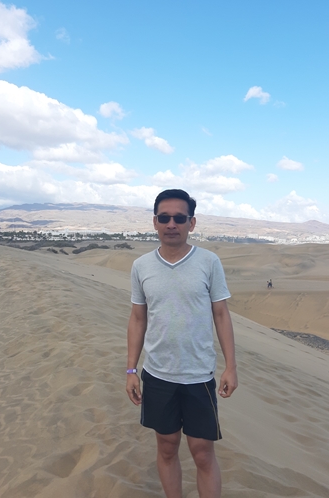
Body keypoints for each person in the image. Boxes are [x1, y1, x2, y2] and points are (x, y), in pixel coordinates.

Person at [126, 189, 238, 498]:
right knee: (166, 447)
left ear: (192, 222)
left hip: (198, 375)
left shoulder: (209, 262)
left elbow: (221, 314)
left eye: (179, 218)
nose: (171, 224)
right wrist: (131, 370)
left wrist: (231, 366)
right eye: (164, 218)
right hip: (158, 374)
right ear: (155, 222)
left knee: (202, 452)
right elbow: (137, 319)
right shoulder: (141, 266)